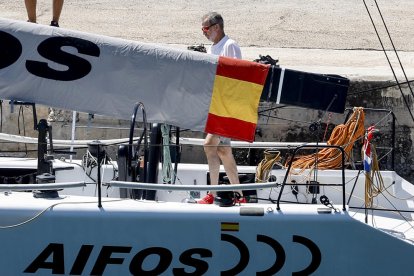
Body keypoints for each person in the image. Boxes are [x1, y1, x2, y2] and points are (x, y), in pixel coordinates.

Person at [197, 12, 246, 204]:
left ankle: (212, 194)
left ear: (217, 27)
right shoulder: (213, 48)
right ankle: (240, 196)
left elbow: (236, 77)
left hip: (226, 108)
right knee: (224, 151)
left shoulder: (229, 46)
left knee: (209, 145)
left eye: (206, 29)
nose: (203, 32)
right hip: (217, 106)